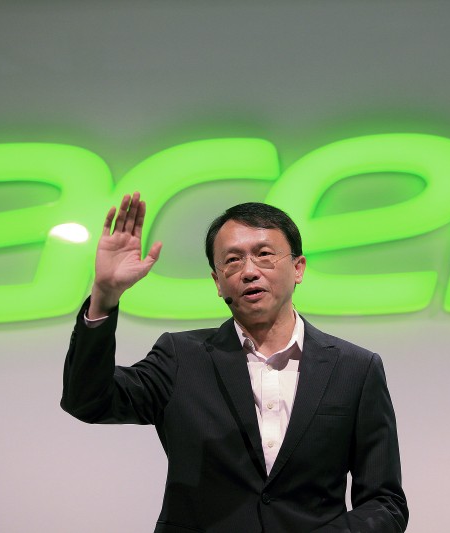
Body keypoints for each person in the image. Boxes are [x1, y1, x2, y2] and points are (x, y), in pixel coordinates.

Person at [61, 192, 408, 532]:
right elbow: (88, 400)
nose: (249, 271)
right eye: (232, 260)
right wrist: (104, 297)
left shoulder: (355, 369)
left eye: (264, 255)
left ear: (298, 268)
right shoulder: (180, 357)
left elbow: (385, 503)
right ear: (217, 281)